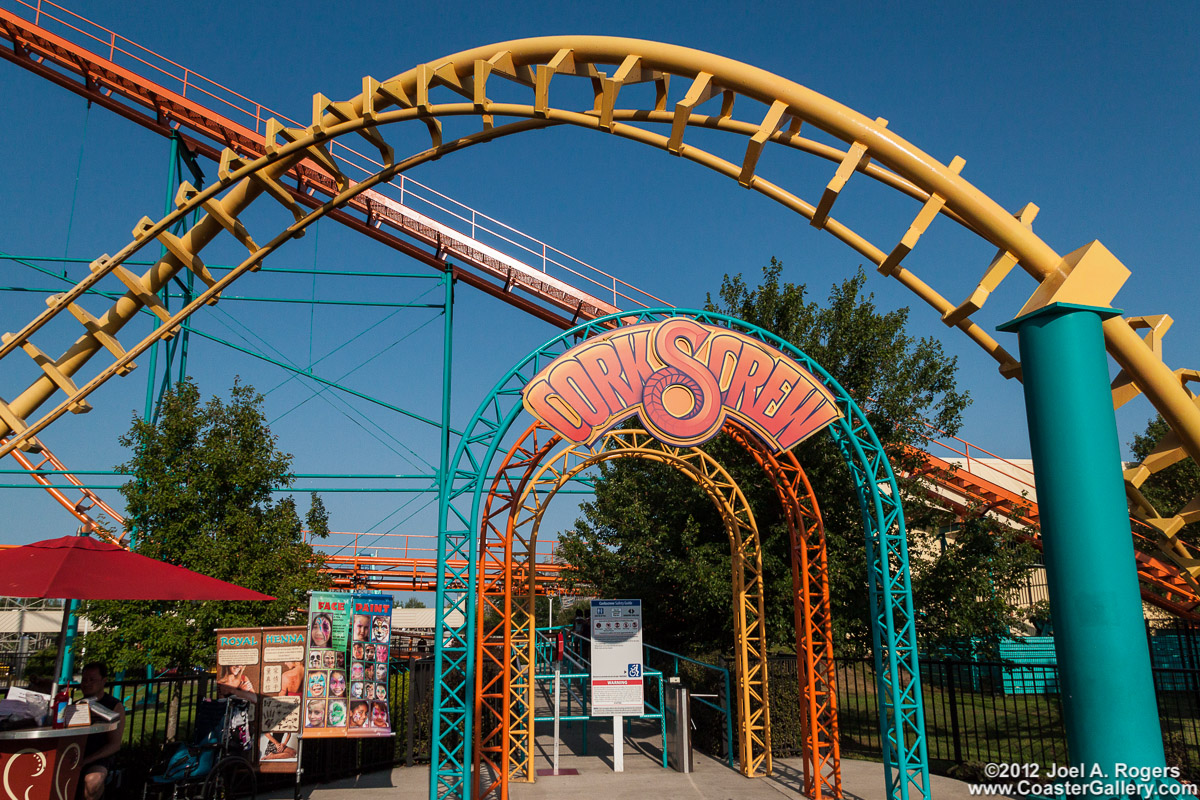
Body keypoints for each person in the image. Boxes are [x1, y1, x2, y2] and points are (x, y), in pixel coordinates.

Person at [78, 662, 125, 800]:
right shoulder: (77, 705)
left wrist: (86, 761)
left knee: (93, 781)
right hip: (75, 754)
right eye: (84, 680)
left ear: (104, 681)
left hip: (99, 757)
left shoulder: (114, 706)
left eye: (92, 680)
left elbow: (114, 745)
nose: (87, 684)